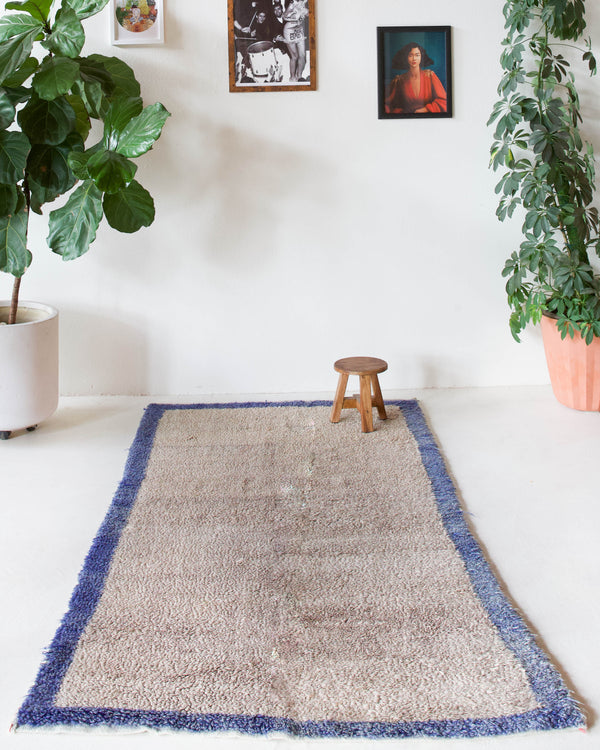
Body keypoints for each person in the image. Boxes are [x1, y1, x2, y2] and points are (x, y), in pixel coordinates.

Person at [385, 42, 447, 114]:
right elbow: (387, 104)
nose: (414, 58)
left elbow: (444, 101)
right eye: (410, 55)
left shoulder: (430, 76)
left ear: (421, 57)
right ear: (406, 57)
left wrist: (426, 109)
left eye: (417, 55)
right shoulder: (399, 80)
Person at [282, 0, 309, 82]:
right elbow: (284, 16)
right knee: (295, 56)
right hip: (289, 30)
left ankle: (299, 75)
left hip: (299, 30)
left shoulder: (304, 3)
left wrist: (304, 11)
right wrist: (292, 10)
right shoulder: (292, 3)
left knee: (302, 55)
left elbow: (308, 15)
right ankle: (292, 77)